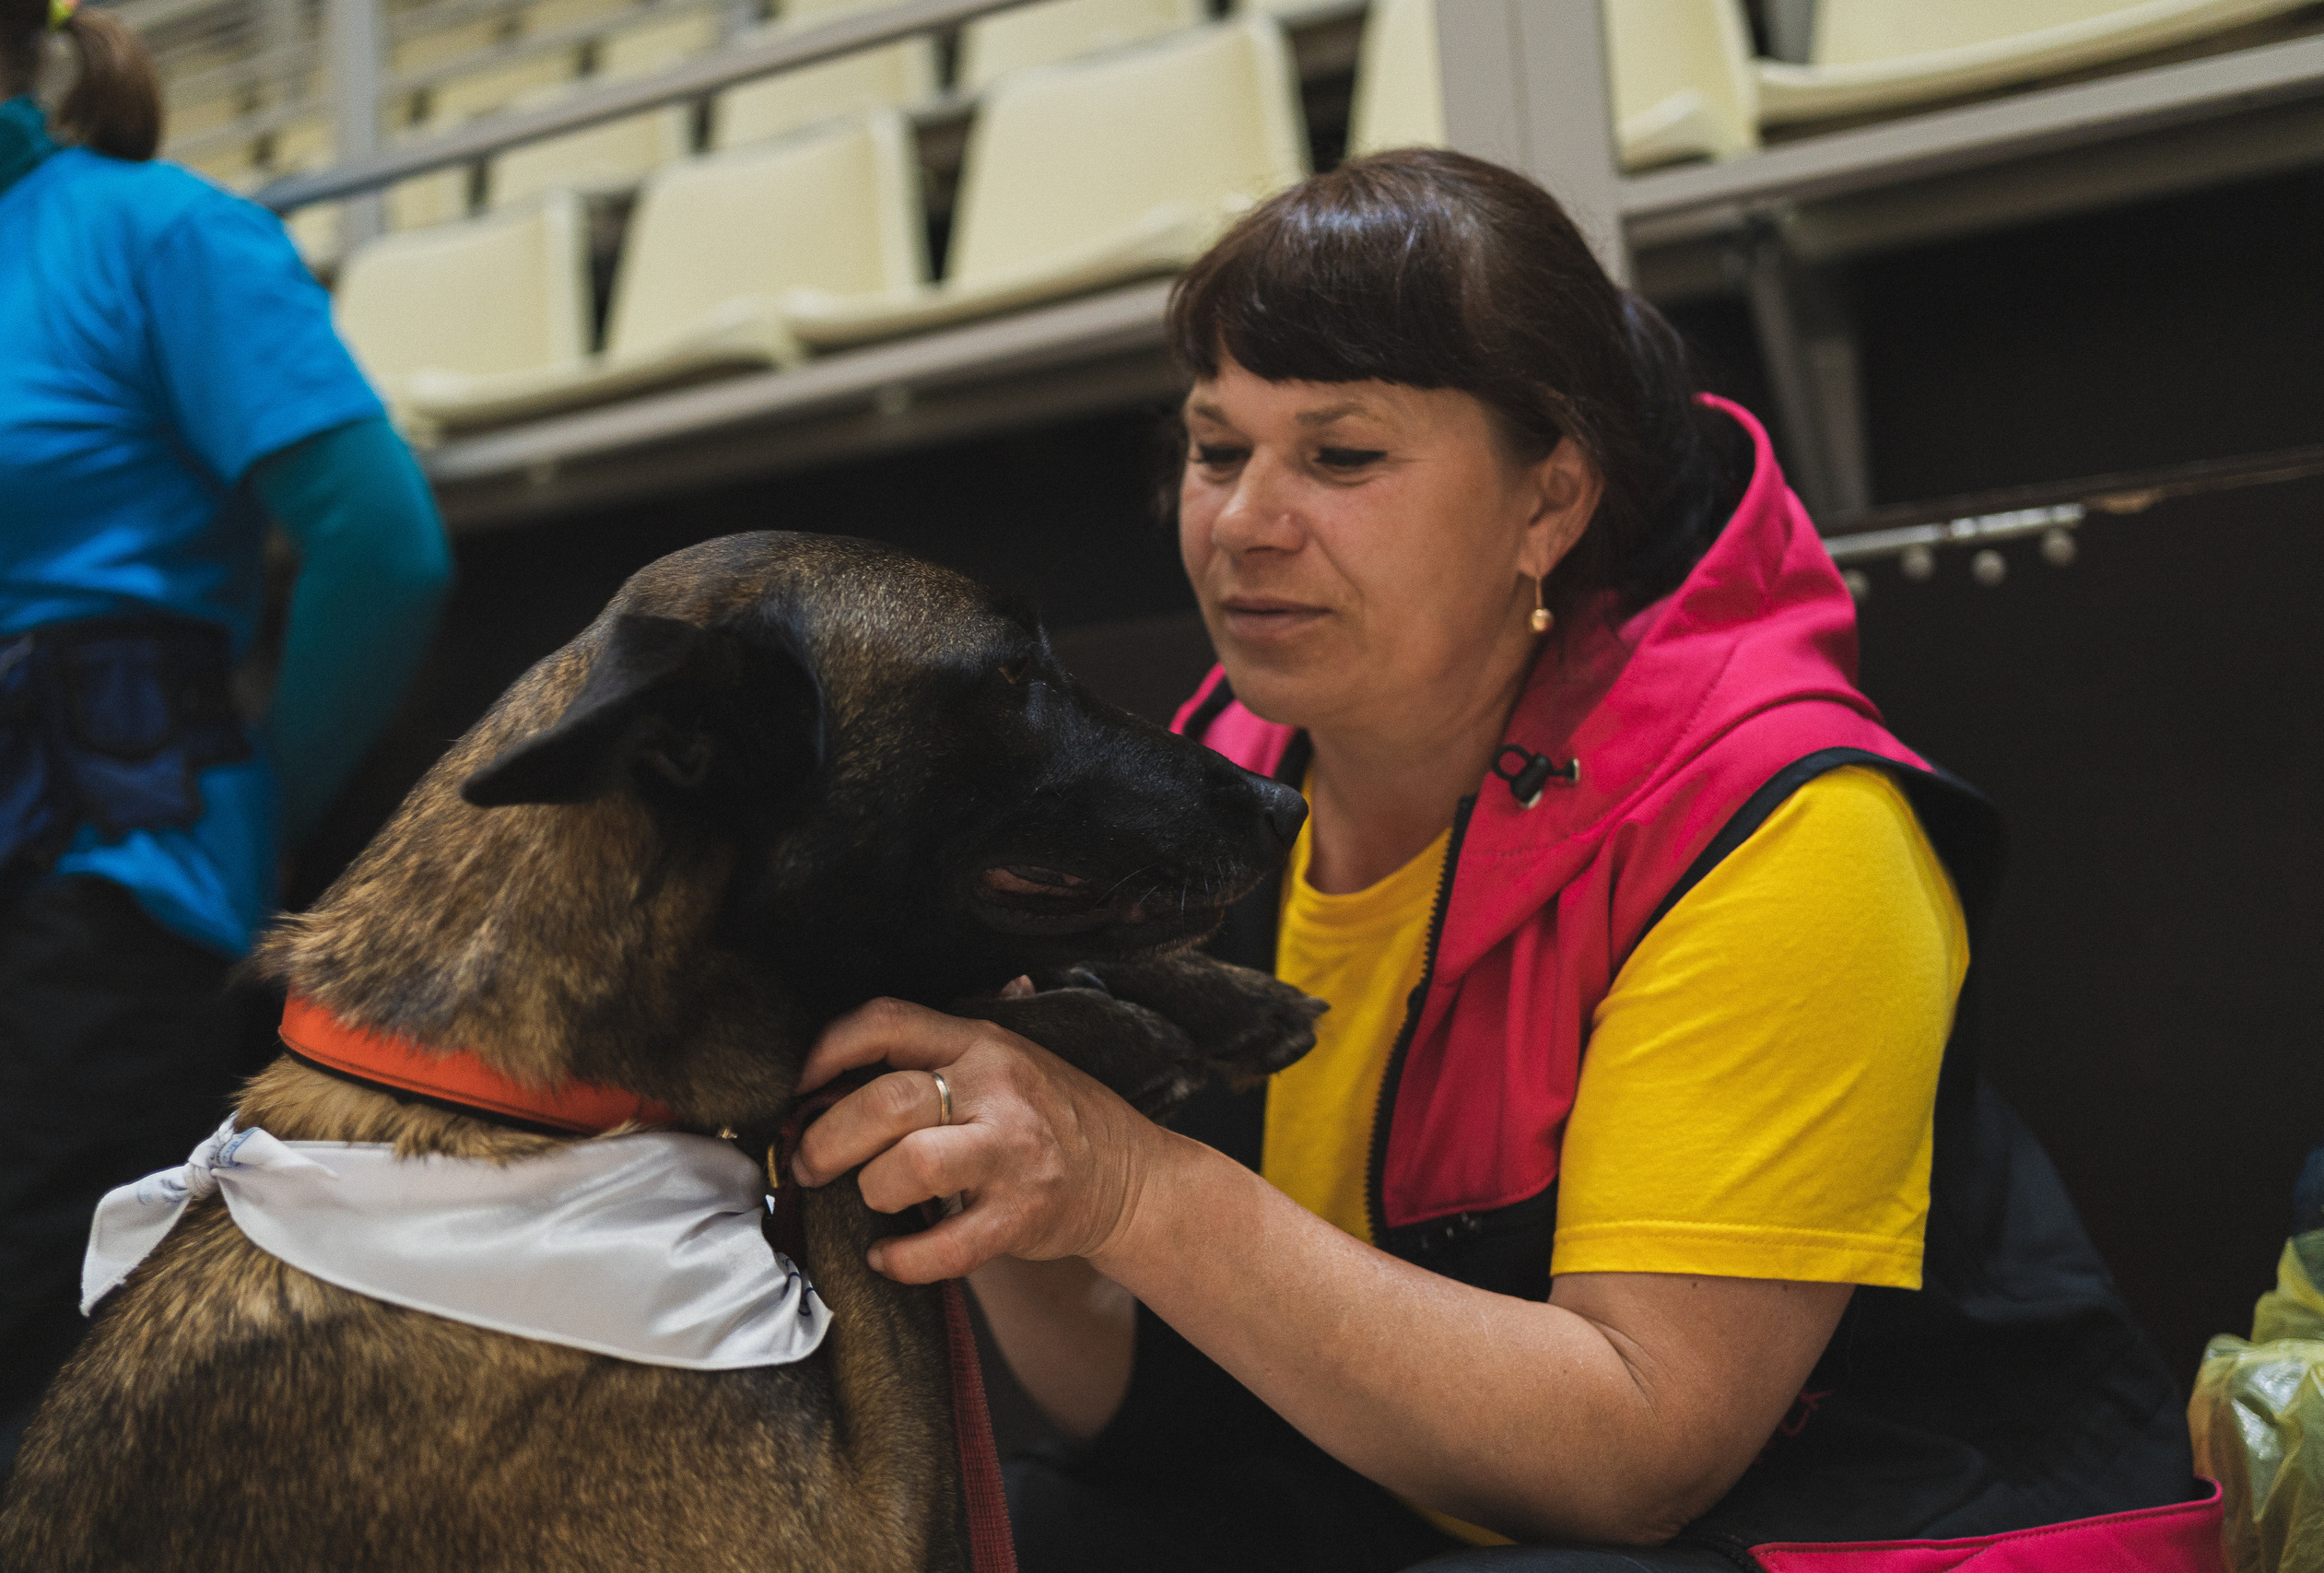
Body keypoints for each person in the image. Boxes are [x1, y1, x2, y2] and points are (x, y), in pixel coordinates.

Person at [787, 150, 2207, 1570]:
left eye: (1342, 457)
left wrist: (1130, 1187)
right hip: (1444, 1514)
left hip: (1886, 1532)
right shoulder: (1227, 768)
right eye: (1218, 450)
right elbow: (1162, 1422)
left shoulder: (1790, 824)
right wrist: (991, 1178)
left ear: (1551, 504)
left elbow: (1640, 1460)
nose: (1243, 524)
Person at [0, 3, 451, 1561]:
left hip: (98, 871)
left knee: (14, 1408)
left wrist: (258, 808)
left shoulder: (152, 231)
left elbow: (381, 541)